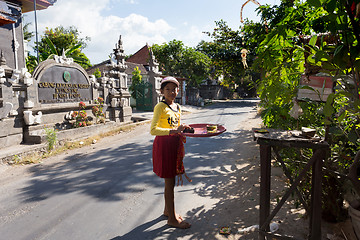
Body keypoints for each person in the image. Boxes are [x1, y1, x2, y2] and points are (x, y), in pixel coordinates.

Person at [150, 76, 192, 229]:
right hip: (164, 146)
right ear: (162, 91)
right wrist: (174, 130)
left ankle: (167, 210)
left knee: (171, 181)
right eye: (167, 89)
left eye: (174, 89)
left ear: (178, 90)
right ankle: (172, 219)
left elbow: (177, 124)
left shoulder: (178, 107)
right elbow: (153, 130)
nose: (171, 92)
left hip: (175, 146)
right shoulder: (160, 107)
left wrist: (183, 127)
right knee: (169, 182)